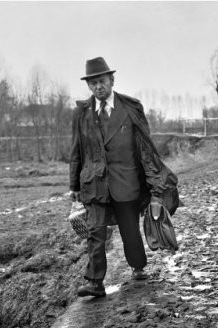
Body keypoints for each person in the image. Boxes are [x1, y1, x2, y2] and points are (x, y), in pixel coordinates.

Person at [69, 57, 179, 297]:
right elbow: (77, 150)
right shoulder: (82, 113)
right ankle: (95, 282)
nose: (98, 87)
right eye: (93, 83)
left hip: (125, 181)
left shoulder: (130, 108)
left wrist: (153, 185)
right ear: (89, 86)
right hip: (94, 182)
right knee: (95, 231)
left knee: (129, 229)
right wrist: (74, 185)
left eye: (102, 81)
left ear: (112, 81)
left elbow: (145, 147)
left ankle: (138, 267)